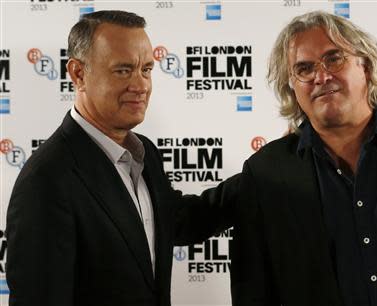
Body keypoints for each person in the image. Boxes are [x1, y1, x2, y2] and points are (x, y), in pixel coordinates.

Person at [6, 10, 238, 306]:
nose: (141, 85)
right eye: (123, 70)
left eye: (146, 69)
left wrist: (262, 174)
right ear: (78, 74)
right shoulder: (47, 180)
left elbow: (178, 220)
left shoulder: (145, 153)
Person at [231, 11, 377, 306]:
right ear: (292, 89)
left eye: (334, 59)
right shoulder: (265, 173)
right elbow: (253, 292)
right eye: (304, 69)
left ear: (367, 66)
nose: (321, 76)